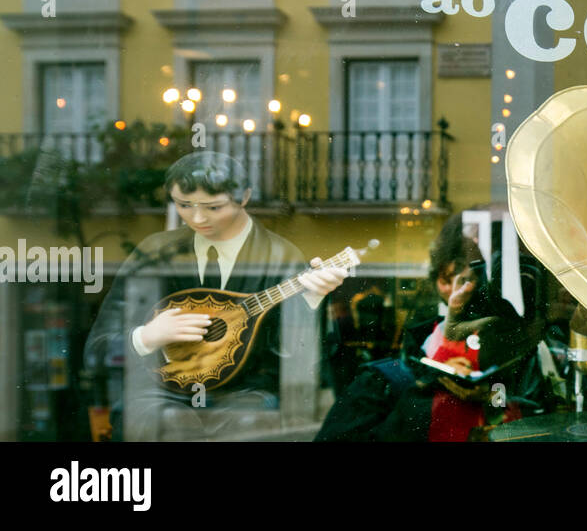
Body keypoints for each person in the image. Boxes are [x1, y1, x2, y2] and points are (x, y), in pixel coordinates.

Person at [83, 151, 348, 440]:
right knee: (161, 420)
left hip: (248, 396)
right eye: (184, 205)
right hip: (161, 394)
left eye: (214, 207)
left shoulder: (281, 257)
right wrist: (145, 337)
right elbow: (98, 350)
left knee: (247, 422)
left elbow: (302, 362)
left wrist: (309, 302)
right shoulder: (155, 253)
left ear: (244, 198)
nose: (197, 218)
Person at [315, 213, 535, 442]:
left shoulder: (502, 328)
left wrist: (490, 395)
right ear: (436, 281)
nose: (456, 291)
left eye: (465, 280)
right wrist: (433, 382)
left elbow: (513, 394)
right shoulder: (412, 343)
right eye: (447, 280)